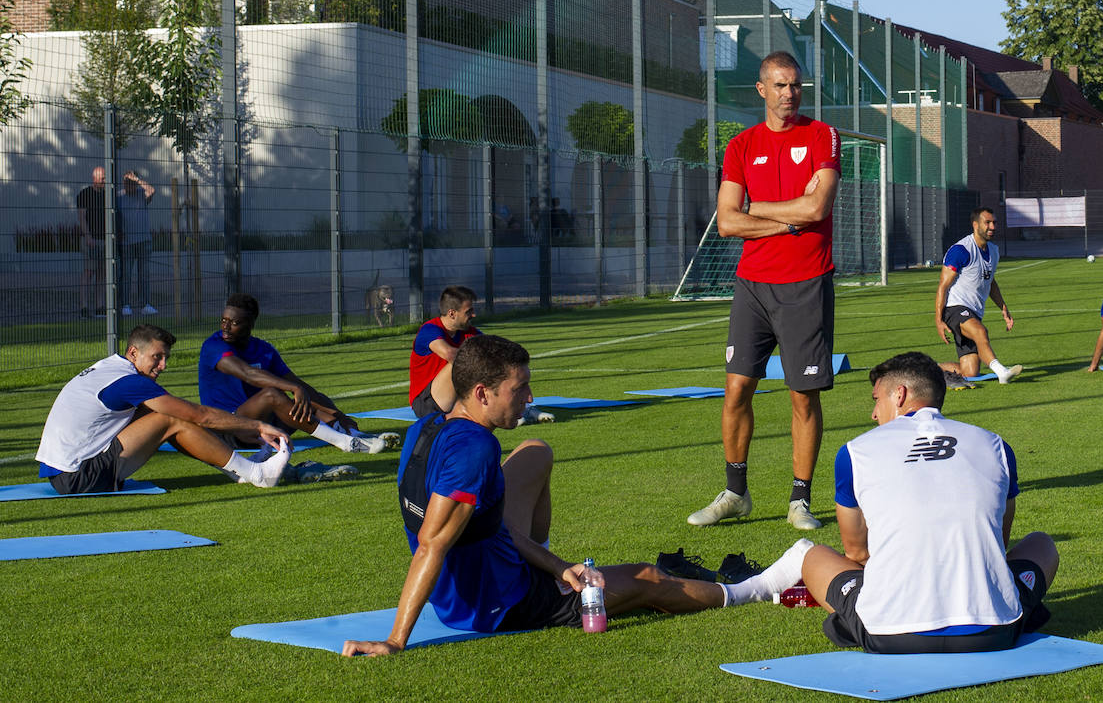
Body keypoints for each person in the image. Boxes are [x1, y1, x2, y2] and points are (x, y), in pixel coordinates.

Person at [341, 335, 813, 656]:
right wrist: (396, 640)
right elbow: (431, 543)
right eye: (518, 388)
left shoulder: (426, 426)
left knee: (535, 450)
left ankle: (548, 566)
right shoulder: (476, 450)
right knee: (647, 577)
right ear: (482, 393)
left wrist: (557, 564)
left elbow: (489, 527)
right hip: (496, 605)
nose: (528, 397)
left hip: (476, 575)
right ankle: (755, 589)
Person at [795, 351, 1057, 653]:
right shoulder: (996, 446)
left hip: (890, 632)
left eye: (875, 400)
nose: (873, 414)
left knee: (813, 557)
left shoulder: (856, 452)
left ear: (900, 394)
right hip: (993, 629)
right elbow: (998, 543)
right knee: (1042, 544)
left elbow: (856, 552)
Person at [687, 50, 841, 531]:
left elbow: (818, 209)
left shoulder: (822, 135)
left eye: (795, 85)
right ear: (761, 89)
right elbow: (728, 222)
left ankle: (800, 499)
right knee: (736, 389)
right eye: (779, 86)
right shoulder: (740, 145)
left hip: (806, 283)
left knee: (803, 396)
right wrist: (785, 221)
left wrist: (764, 208)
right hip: (753, 286)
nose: (789, 94)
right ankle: (736, 492)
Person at [36, 324, 292, 493]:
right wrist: (256, 425)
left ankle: (239, 468)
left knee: (164, 416)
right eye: (157, 357)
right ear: (134, 353)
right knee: (172, 419)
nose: (163, 365)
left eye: (165, 357)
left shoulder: (110, 367)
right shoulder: (128, 382)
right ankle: (256, 473)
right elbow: (198, 415)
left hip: (66, 473)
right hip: (79, 478)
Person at [199, 293, 397, 455]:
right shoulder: (213, 346)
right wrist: (293, 388)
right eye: (223, 320)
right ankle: (345, 443)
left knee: (306, 402)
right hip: (229, 428)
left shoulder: (263, 349)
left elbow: (297, 384)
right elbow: (247, 373)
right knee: (272, 394)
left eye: (234, 322)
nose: (225, 327)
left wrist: (339, 415)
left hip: (261, 425)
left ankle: (354, 434)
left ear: (250, 324)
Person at [935, 207, 1023, 384]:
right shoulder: (961, 250)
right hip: (955, 309)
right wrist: (939, 320)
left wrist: (1003, 307)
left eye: (994, 222)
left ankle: (927, 369)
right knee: (981, 331)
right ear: (975, 225)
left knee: (970, 373)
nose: (992, 226)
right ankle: (1002, 372)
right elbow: (943, 287)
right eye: (987, 222)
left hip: (974, 313)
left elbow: (990, 281)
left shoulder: (993, 251)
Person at [409, 285, 483, 418]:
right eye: (468, 311)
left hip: (452, 399)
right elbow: (449, 354)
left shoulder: (468, 332)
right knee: (459, 359)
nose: (474, 315)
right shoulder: (429, 329)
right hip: (426, 403)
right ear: (452, 313)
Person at [117, 169, 156, 316]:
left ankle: (145, 304)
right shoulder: (119, 197)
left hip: (144, 241)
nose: (129, 186)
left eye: (131, 183)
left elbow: (152, 190)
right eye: (126, 182)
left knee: (144, 274)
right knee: (126, 274)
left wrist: (137, 180)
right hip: (127, 243)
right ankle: (125, 304)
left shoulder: (141, 194)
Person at [76, 164, 107, 318]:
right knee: (88, 272)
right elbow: (81, 217)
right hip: (91, 240)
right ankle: (84, 306)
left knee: (102, 273)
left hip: (104, 239)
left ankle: (100, 305)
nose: (104, 181)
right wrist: (87, 236)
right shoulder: (84, 194)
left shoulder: (107, 195)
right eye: (102, 178)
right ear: (94, 179)